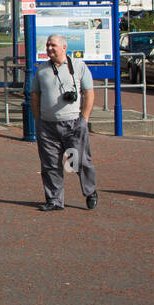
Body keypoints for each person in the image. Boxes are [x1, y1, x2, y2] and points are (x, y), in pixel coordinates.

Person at [30, 34, 98, 211]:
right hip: (48, 126)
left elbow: (89, 92)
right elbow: (35, 95)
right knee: (50, 164)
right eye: (47, 46)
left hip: (73, 125)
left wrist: (84, 118)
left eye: (53, 45)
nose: (49, 49)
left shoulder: (78, 67)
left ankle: (90, 191)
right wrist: (38, 119)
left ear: (64, 47)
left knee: (78, 162)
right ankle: (54, 200)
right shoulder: (42, 69)